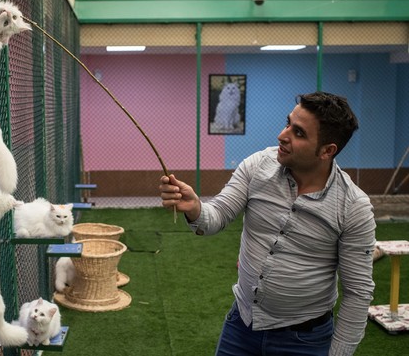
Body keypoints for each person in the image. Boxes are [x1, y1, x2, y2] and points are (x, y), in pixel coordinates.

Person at [159, 92, 376, 356]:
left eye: (298, 133)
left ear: (327, 151)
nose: (282, 135)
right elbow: (216, 216)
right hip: (241, 325)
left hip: (304, 341)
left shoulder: (353, 206)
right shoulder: (258, 165)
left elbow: (357, 293)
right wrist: (195, 208)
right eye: (288, 123)